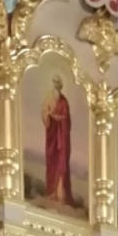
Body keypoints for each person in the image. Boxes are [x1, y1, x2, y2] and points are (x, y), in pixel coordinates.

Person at [43, 74, 74, 206]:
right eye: (54, 82)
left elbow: (67, 119)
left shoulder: (64, 101)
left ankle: (60, 195)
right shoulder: (49, 98)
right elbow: (45, 113)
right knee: (52, 163)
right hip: (52, 136)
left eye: (57, 83)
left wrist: (58, 118)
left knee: (61, 163)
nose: (56, 85)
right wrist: (49, 115)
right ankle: (51, 193)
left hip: (61, 138)